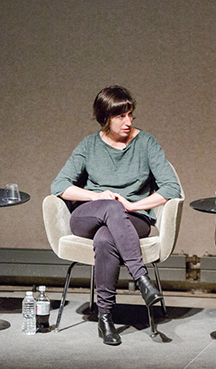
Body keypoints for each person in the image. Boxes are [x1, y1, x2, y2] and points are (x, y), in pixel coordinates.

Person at [51, 85, 181, 346]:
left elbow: (171, 187)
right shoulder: (89, 145)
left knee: (105, 240)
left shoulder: (146, 143)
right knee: (110, 207)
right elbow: (59, 186)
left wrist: (133, 206)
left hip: (133, 219)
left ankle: (105, 317)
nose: (128, 122)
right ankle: (141, 278)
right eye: (120, 116)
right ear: (105, 118)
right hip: (89, 215)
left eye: (130, 115)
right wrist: (98, 197)